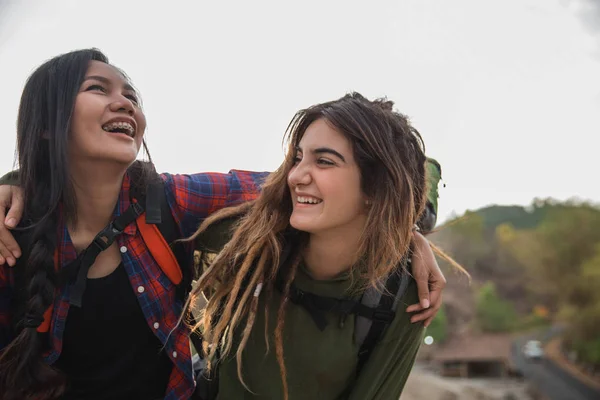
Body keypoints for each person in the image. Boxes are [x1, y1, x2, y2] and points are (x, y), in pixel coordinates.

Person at [0, 49, 445, 400]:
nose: (124, 101)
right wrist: (14, 181)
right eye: (98, 88)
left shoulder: (167, 202)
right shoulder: (10, 235)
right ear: (47, 124)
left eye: (131, 94)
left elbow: (354, 175)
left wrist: (404, 224)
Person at [184, 93, 450, 400]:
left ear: (376, 188)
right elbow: (153, 205)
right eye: (297, 158)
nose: (295, 176)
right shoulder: (253, 238)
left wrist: (407, 234)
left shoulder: (400, 294)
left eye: (323, 161)